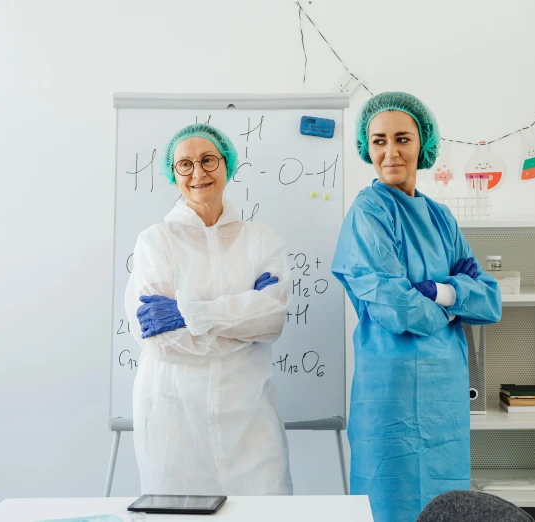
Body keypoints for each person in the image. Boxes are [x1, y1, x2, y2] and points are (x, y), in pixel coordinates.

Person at [332, 92, 502, 522]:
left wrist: (439, 292)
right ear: (365, 147)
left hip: (443, 393)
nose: (390, 151)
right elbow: (395, 308)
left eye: (402, 139)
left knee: (446, 505)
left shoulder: (442, 217)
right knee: (390, 500)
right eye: (378, 140)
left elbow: (490, 300)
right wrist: (453, 303)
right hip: (387, 389)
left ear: (422, 143)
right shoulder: (369, 211)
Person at [125, 123, 293, 496]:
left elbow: (272, 319)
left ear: (227, 165)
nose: (198, 173)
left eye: (208, 160)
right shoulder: (156, 242)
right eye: (184, 164)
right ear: (173, 174)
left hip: (249, 412)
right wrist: (242, 324)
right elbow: (162, 342)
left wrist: (190, 315)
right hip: (174, 413)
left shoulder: (261, 240)